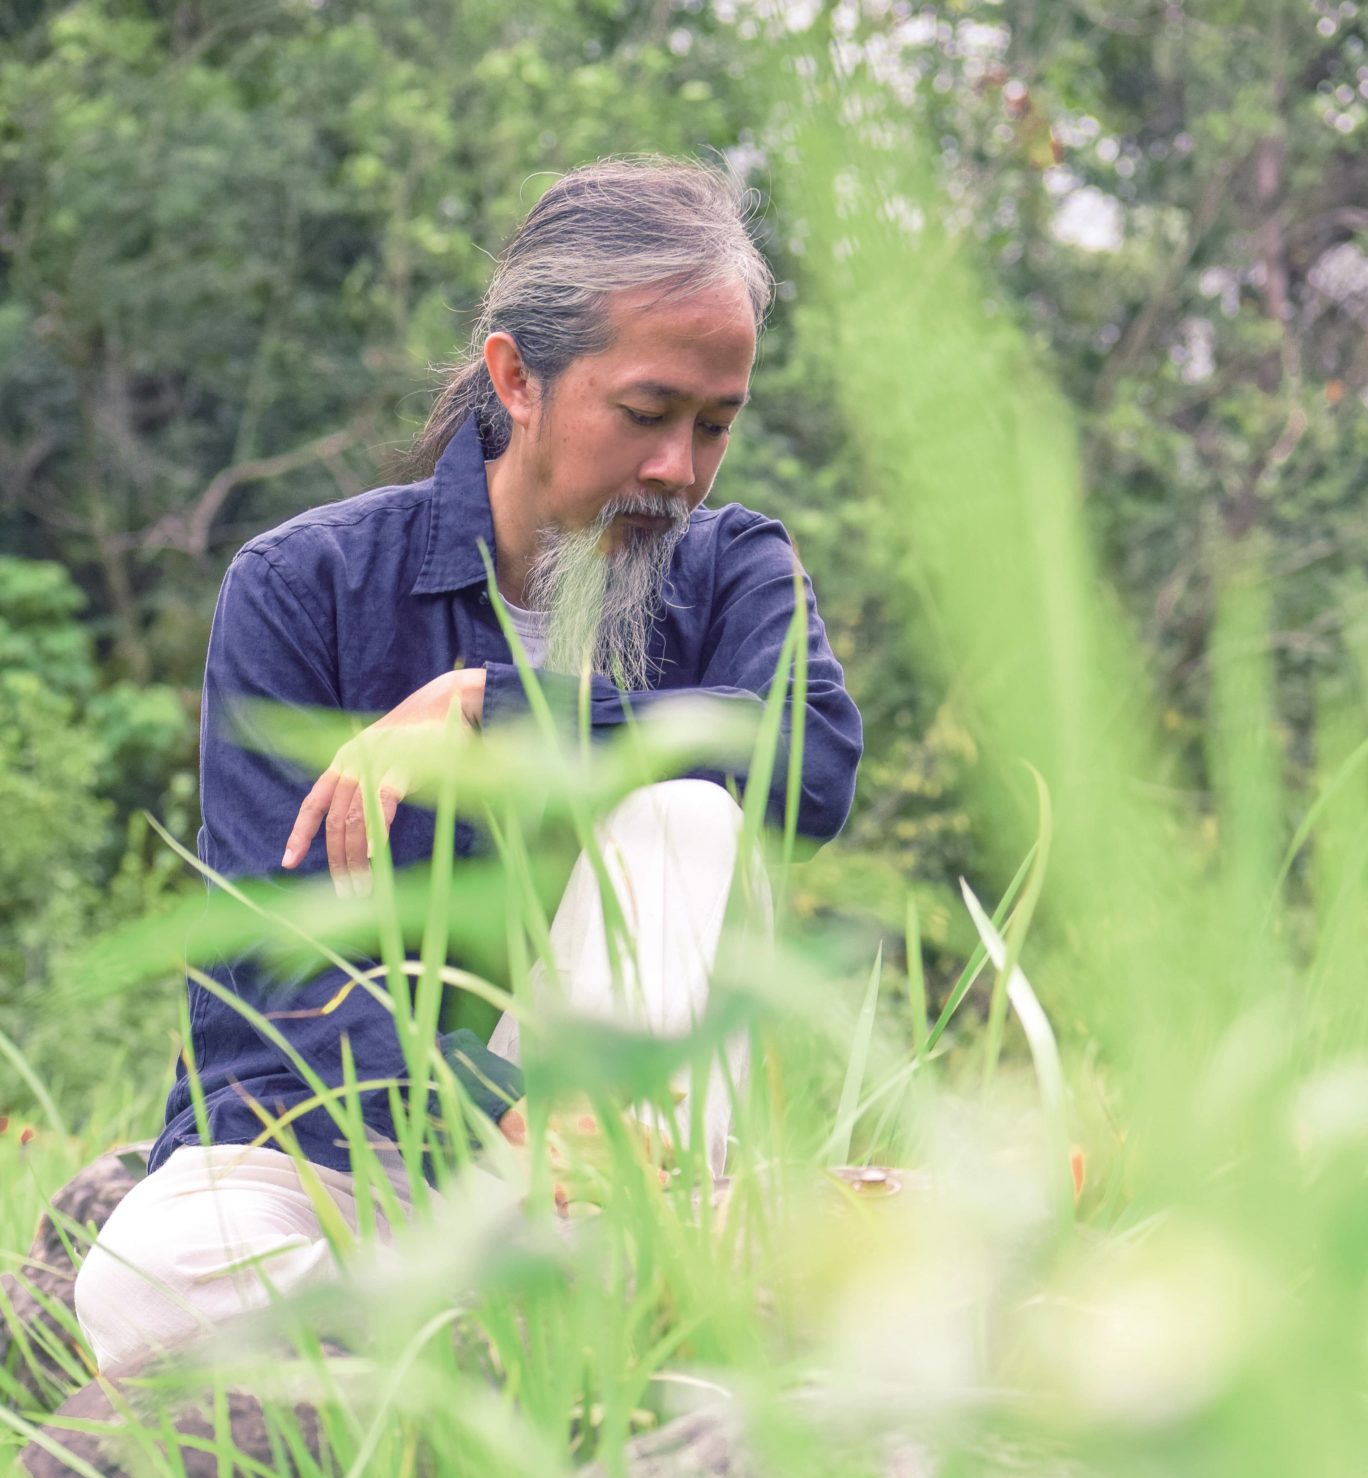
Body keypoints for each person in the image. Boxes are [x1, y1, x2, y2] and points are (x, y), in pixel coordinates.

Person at [74, 157, 862, 1374]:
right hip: (351, 1150)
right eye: (647, 413)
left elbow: (810, 769)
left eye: (716, 425)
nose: (679, 468)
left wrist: (499, 705)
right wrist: (499, 1112)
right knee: (143, 1280)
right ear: (518, 378)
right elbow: (268, 976)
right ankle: (526, 1334)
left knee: (692, 812)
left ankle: (578, 1290)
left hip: (631, 1156)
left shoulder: (734, 568)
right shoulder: (307, 585)